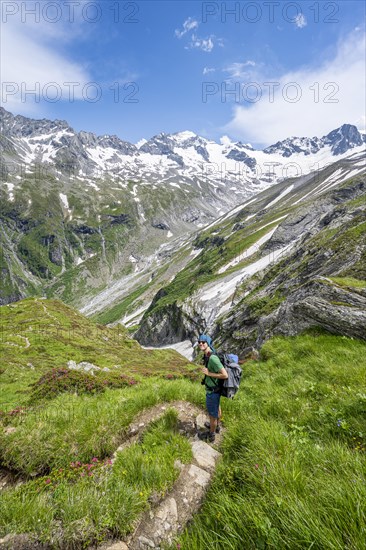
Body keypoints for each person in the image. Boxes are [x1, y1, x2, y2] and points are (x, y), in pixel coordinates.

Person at [197, 334, 228, 443]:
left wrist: (209, 373)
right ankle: (216, 426)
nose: (201, 343)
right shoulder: (208, 355)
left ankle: (211, 434)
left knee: (212, 415)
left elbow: (225, 375)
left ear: (208, 343)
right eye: (199, 342)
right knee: (217, 409)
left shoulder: (213, 358)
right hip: (216, 389)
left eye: (203, 342)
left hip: (212, 391)